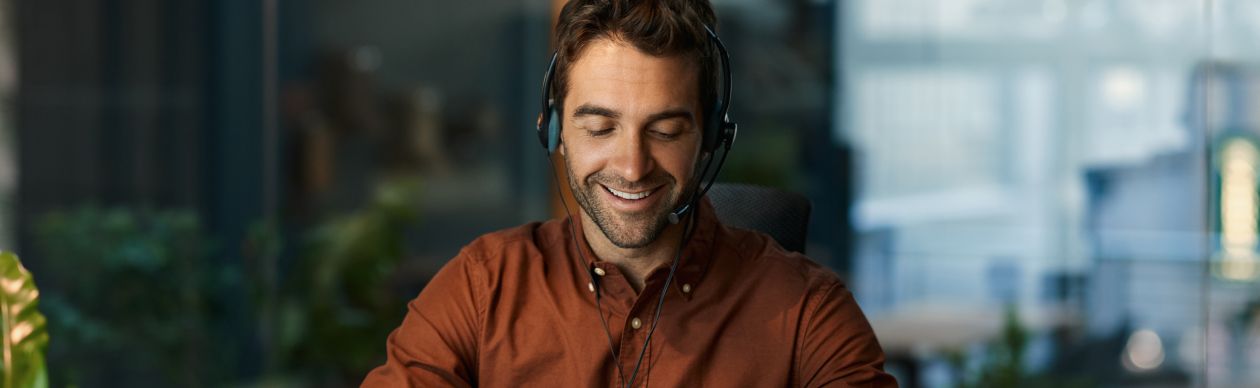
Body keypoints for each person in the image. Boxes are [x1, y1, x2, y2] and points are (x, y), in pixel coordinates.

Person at [361, 0, 895, 386]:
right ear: (554, 131)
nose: (633, 166)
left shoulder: (806, 312)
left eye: (664, 130)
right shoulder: (483, 290)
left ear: (709, 137)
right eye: (599, 128)